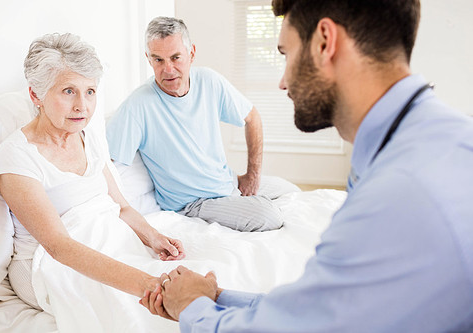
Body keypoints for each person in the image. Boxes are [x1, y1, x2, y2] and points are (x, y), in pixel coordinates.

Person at [140, 0, 473, 331]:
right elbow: (315, 311)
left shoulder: (396, 191)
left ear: (325, 42)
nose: (282, 82)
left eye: (286, 54)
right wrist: (216, 296)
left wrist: (192, 307)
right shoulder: (431, 142)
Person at [0, 33, 185, 319]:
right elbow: (59, 247)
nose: (83, 105)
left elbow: (123, 207)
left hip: (110, 242)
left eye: (90, 91)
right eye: (69, 91)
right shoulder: (16, 156)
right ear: (36, 95)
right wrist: (147, 285)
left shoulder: (87, 136)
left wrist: (154, 238)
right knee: (142, 310)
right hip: (52, 264)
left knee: (193, 284)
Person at [106, 16, 284, 232]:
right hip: (193, 204)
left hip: (228, 183)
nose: (168, 69)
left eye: (175, 57)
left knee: (289, 190)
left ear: (191, 54)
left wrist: (252, 176)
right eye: (158, 60)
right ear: (148, 59)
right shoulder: (138, 105)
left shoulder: (209, 81)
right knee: (269, 215)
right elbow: (106, 162)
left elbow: (252, 117)